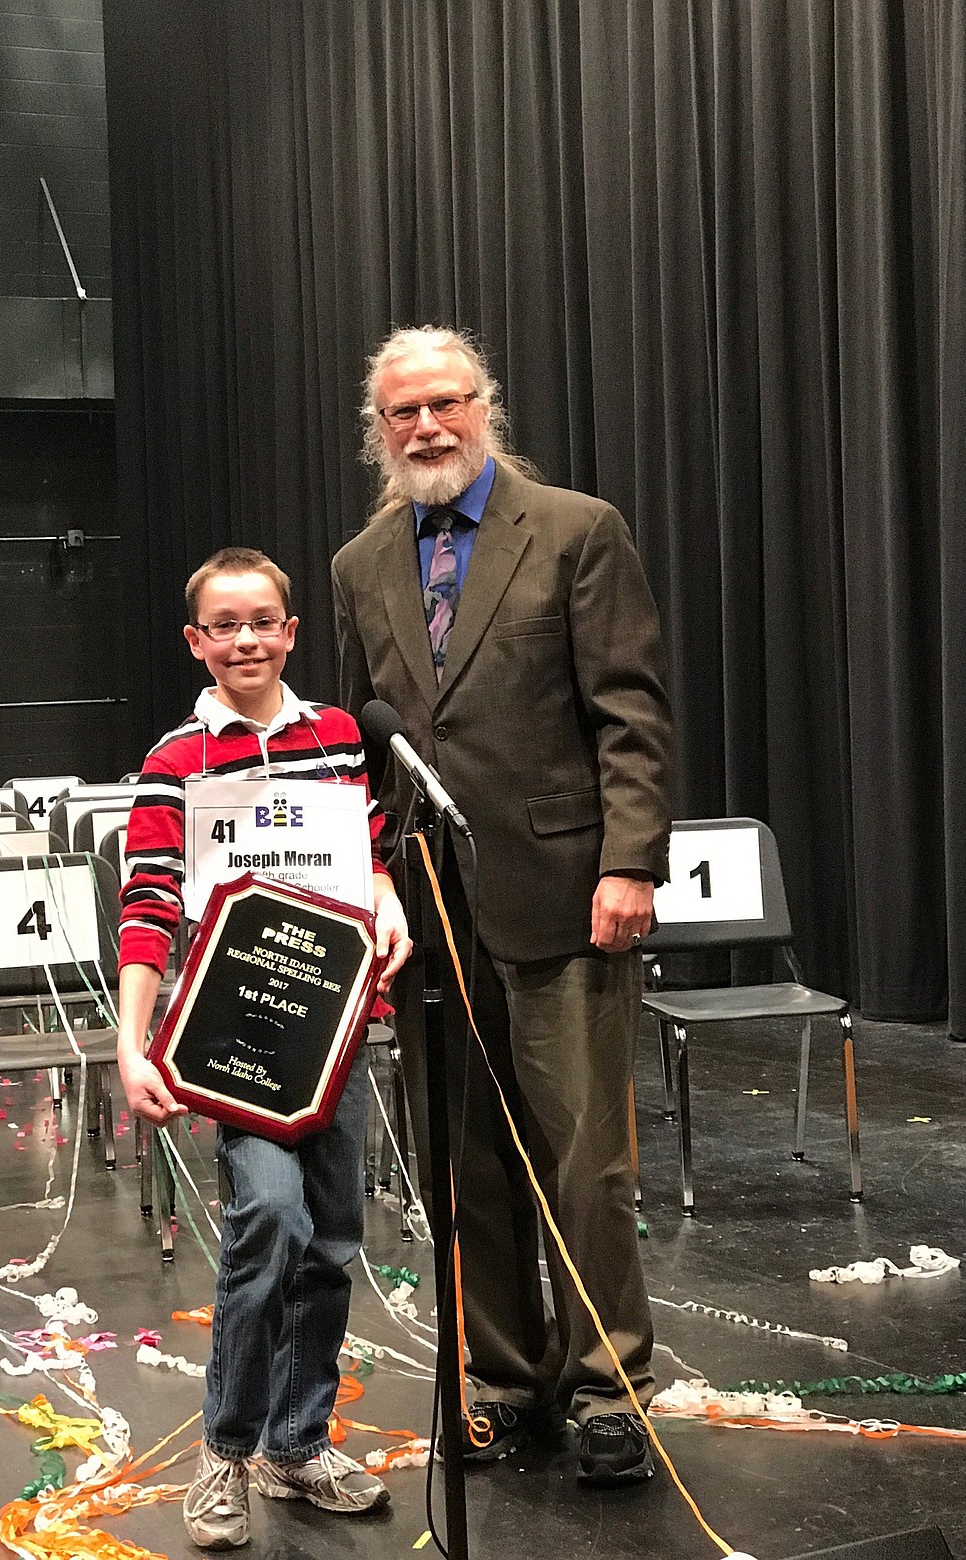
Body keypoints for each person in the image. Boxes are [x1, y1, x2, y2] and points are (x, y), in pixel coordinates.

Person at [332, 327, 675, 1486]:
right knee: (463, 1163)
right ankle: (508, 1380)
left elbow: (628, 712)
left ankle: (608, 1385)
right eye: (402, 412)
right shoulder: (358, 565)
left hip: (566, 896)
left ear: (487, 405)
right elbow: (359, 750)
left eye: (445, 402)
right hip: (427, 915)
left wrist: (630, 863)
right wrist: (371, 882)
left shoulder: (578, 529)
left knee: (585, 1162)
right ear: (378, 431)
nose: (426, 426)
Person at [117, 546, 412, 1550]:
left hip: (334, 1032)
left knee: (332, 1243)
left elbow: (366, 863)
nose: (246, 640)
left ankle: (297, 1443)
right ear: (197, 642)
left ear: (291, 630)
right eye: (224, 625)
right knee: (271, 1222)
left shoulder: (337, 739)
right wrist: (132, 1045)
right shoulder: (174, 762)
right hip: (231, 1041)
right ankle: (226, 1450)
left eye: (264, 622)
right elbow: (150, 909)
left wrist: (390, 900)